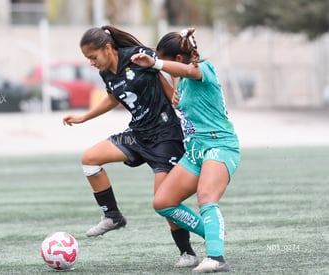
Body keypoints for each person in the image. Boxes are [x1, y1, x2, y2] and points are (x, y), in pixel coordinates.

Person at [62, 25, 202, 267]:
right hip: (136, 135)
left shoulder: (137, 55)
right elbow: (114, 98)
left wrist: (177, 89)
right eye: (88, 60)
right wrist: (84, 117)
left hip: (165, 136)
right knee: (90, 159)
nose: (92, 64)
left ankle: (187, 253)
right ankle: (113, 216)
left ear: (108, 48)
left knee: (164, 202)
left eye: (93, 57)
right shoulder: (106, 70)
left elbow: (172, 64)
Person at [131, 27, 240, 273]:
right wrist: (160, 76)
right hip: (194, 152)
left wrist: (155, 63)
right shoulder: (181, 81)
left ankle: (216, 258)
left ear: (177, 59)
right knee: (163, 202)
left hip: (219, 146)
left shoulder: (205, 69)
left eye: (165, 61)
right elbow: (177, 88)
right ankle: (214, 231)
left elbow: (187, 70)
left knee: (206, 198)